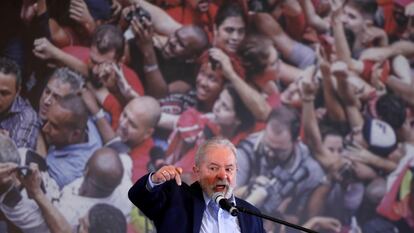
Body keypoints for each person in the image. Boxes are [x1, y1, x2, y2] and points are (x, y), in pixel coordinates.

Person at [128, 137, 265, 233]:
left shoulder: (251, 216)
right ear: (196, 171)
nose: (223, 175)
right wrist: (155, 180)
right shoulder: (176, 200)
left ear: (236, 172)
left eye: (229, 169)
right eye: (213, 168)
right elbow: (139, 196)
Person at [43, 94, 102, 188]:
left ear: (75, 135)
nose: (44, 129)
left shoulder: (66, 175)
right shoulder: (84, 123)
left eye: (54, 126)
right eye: (47, 121)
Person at [0, 57, 39, 150]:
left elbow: (18, 159)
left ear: (17, 91)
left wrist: (5, 145)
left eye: (4, 93)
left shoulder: (27, 117)